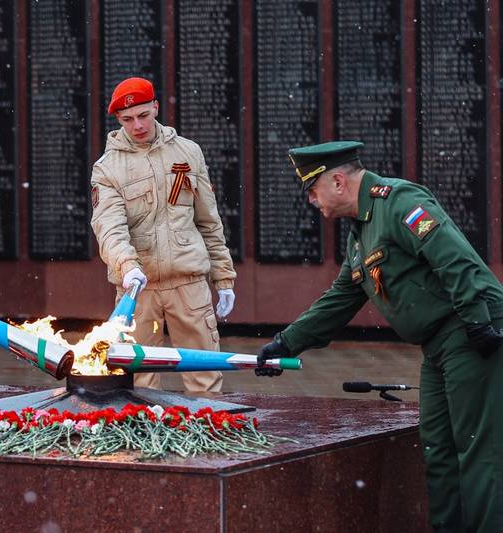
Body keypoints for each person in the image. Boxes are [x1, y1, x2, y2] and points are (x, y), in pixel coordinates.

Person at [254, 141, 503, 532]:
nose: (311, 202)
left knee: (477, 448)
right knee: (438, 449)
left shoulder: (398, 202)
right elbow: (340, 299)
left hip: (470, 330)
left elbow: (452, 256)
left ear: (337, 181)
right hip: (438, 345)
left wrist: (478, 320)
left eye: (312, 191)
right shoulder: (359, 238)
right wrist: (286, 342)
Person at [90, 77, 236, 392]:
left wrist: (224, 280)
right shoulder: (107, 168)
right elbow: (108, 227)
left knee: (205, 378)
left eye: (143, 115)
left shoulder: (188, 153)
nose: (137, 125)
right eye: (127, 119)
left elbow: (208, 222)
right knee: (136, 383)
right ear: (118, 120)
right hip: (137, 291)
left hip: (189, 285)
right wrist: (127, 267)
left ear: (156, 107)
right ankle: (139, 442)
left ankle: (207, 437)